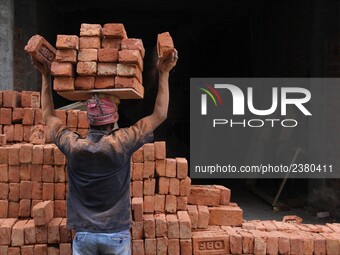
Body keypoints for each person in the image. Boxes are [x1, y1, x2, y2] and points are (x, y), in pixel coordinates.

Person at [32, 47, 178, 255]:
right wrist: (164, 73)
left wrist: (45, 76)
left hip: (84, 235)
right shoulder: (123, 142)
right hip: (116, 234)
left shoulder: (73, 146)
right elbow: (160, 114)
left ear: (88, 119)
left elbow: (48, 116)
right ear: (115, 119)